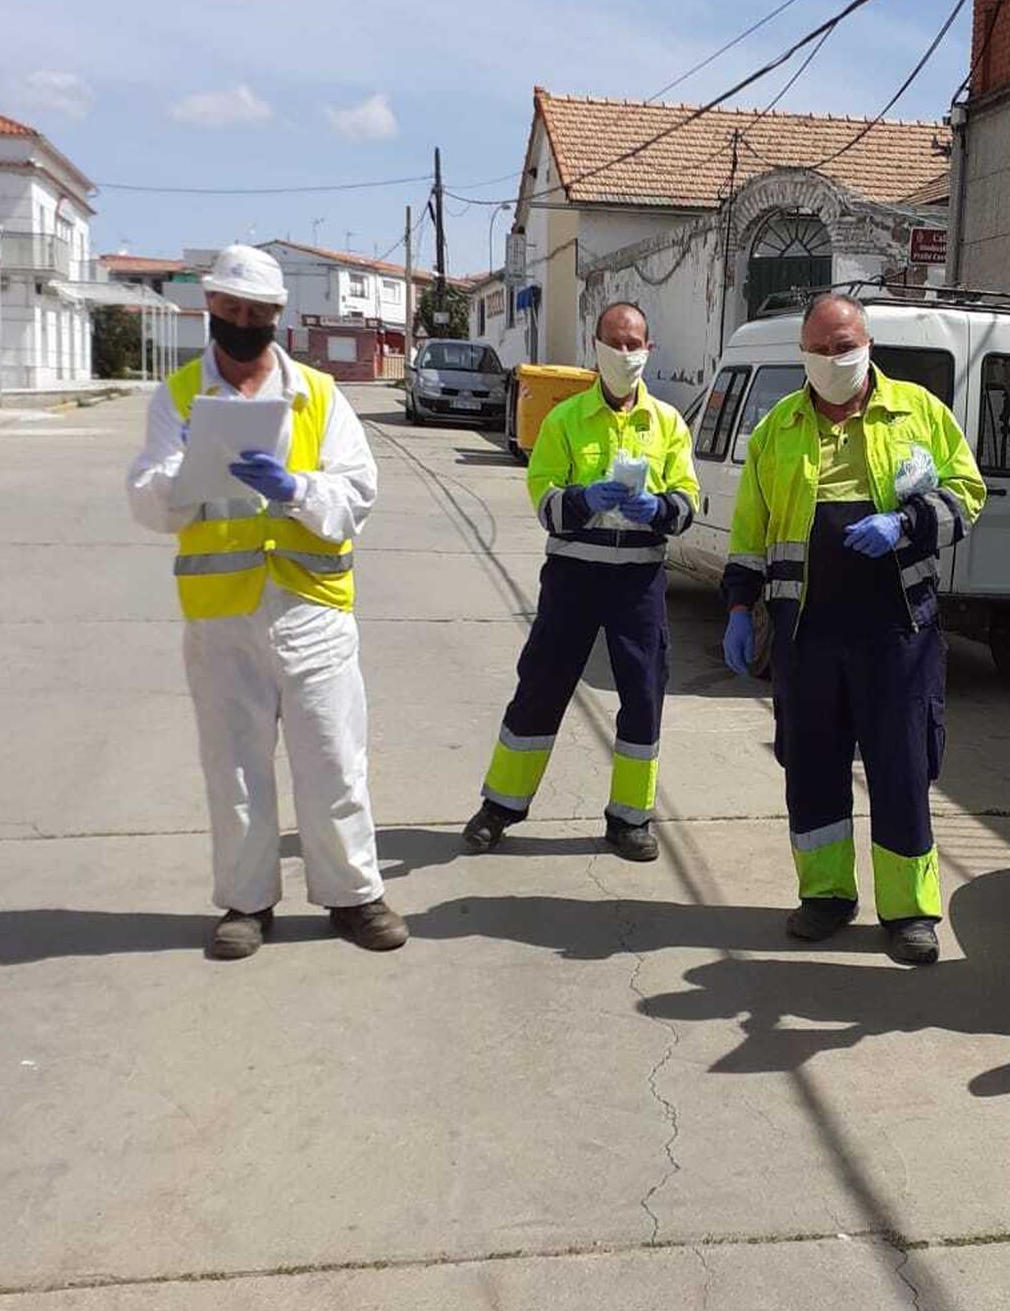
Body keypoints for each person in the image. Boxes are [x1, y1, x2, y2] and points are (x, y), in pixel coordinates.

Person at [127, 243, 407, 960]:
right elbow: (149, 501)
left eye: (257, 312)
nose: (243, 322)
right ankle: (247, 903)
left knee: (334, 757)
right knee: (233, 764)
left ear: (278, 315)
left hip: (313, 606)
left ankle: (354, 895)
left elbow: (357, 494)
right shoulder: (179, 397)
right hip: (222, 614)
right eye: (231, 308)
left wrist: (295, 488)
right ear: (210, 307)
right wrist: (185, 474)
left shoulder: (319, 394)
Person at [722, 294, 986, 966]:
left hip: (898, 630)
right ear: (802, 353)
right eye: (820, 349)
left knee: (902, 768)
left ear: (867, 344)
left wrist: (906, 523)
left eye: (845, 346)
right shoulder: (776, 429)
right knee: (812, 769)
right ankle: (826, 896)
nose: (834, 359)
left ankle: (910, 911)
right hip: (805, 632)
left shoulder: (919, 411)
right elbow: (750, 530)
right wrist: (738, 607)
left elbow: (967, 496)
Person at [463, 302, 698, 861]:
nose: (625, 353)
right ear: (596, 346)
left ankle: (630, 819)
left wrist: (658, 508)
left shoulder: (668, 423)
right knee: (541, 686)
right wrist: (583, 499)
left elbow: (688, 502)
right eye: (615, 342)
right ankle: (500, 806)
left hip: (639, 582)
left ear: (649, 350)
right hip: (573, 576)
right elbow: (543, 500)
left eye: (634, 344)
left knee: (643, 694)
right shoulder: (565, 419)